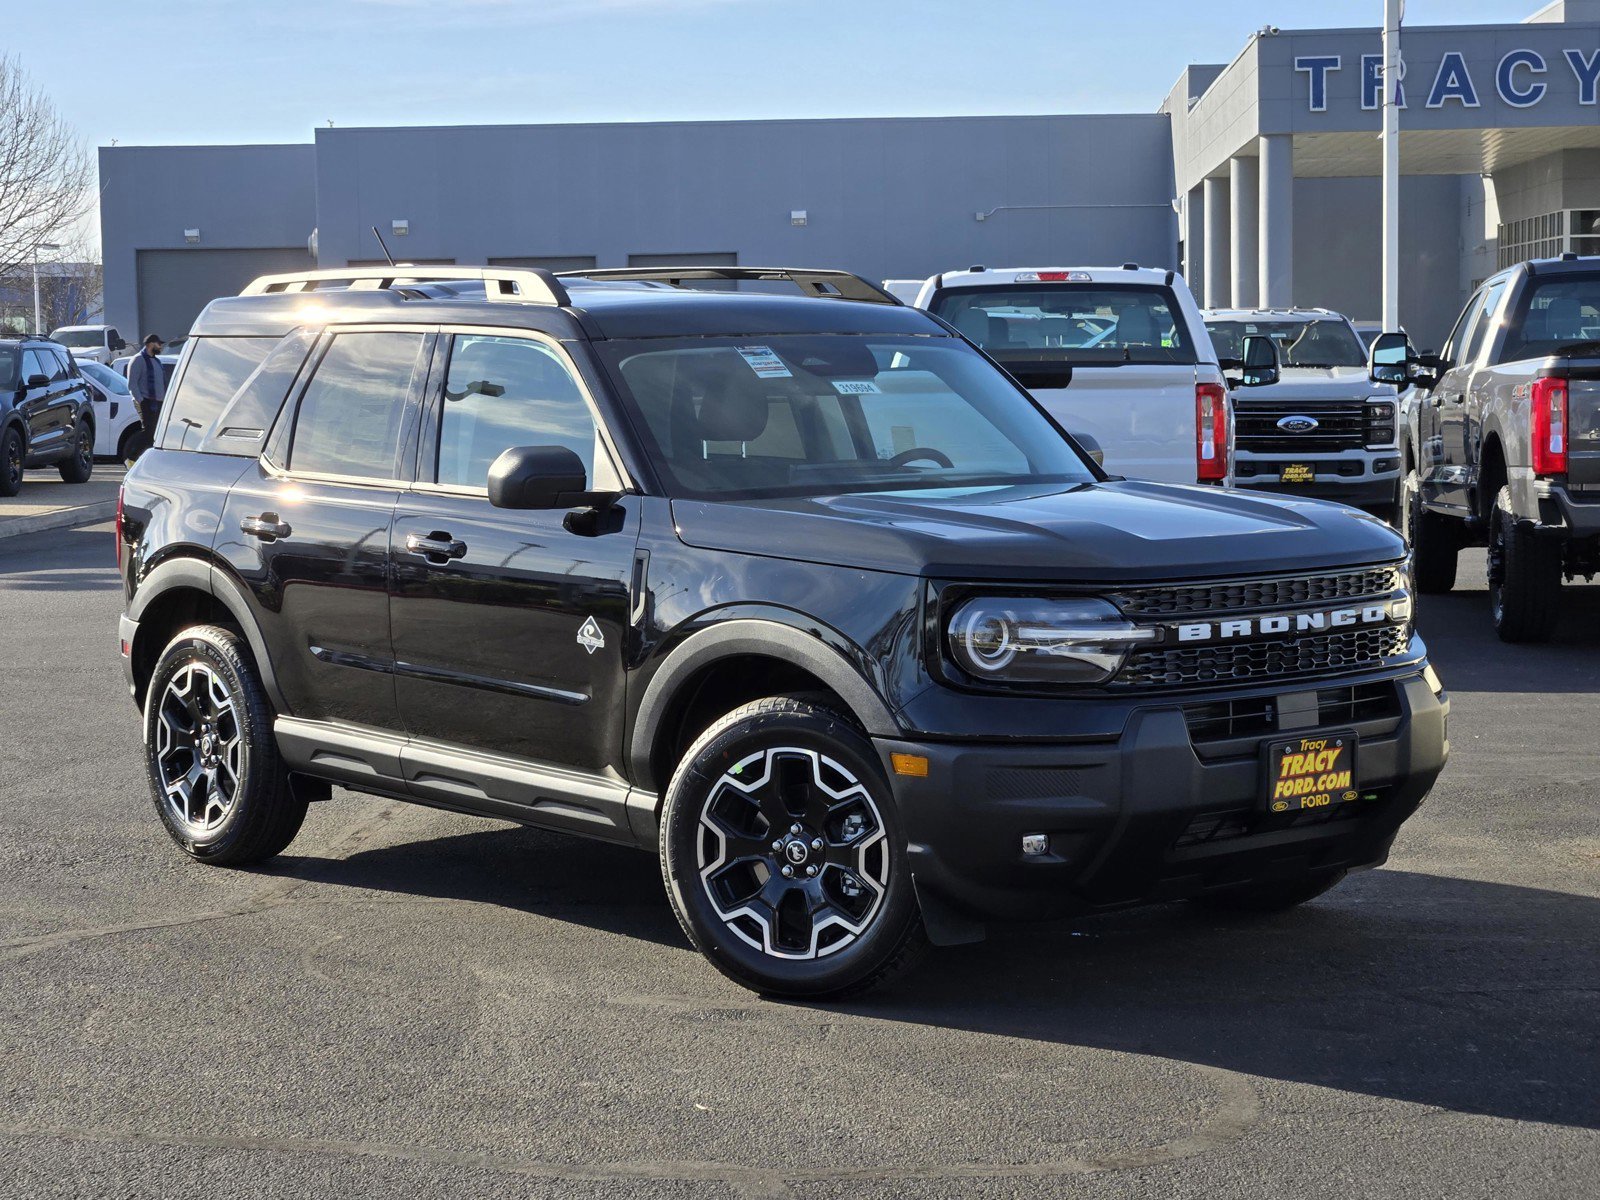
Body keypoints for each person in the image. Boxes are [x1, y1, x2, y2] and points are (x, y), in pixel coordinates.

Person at [127, 334, 166, 461]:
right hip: (145, 401)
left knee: (154, 433)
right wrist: (141, 401)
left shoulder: (156, 361)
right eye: (158, 344)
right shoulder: (138, 359)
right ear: (150, 344)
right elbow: (132, 384)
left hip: (158, 402)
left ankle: (148, 460)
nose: (161, 346)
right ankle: (130, 458)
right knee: (148, 431)